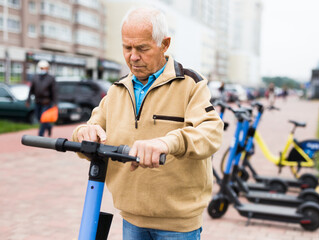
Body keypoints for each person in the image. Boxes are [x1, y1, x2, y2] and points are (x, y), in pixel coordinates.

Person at [71, 7, 223, 240]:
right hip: (131, 217)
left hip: (178, 225)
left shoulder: (190, 84)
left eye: (142, 48)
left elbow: (210, 134)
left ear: (164, 44)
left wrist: (168, 142)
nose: (133, 56)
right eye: (127, 47)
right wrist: (85, 132)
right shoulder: (116, 90)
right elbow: (88, 129)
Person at [26, 60, 57, 136]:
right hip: (37, 102)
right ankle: (49, 127)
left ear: (47, 68)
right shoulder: (35, 77)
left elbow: (54, 91)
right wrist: (28, 100)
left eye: (44, 68)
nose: (43, 69)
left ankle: (40, 134)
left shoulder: (51, 78)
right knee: (39, 118)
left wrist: (55, 103)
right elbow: (31, 90)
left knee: (44, 119)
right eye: (41, 67)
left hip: (46, 103)